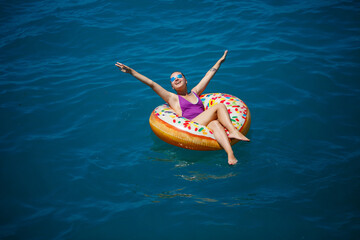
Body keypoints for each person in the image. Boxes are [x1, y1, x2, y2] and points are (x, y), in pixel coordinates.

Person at [115, 50, 249, 165]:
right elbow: (152, 84)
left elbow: (208, 75)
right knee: (219, 105)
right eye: (173, 79)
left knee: (215, 123)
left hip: (206, 123)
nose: (176, 79)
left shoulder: (196, 92)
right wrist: (132, 72)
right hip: (193, 124)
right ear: (172, 86)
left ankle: (230, 155)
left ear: (186, 80)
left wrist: (219, 62)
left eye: (179, 76)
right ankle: (233, 131)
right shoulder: (172, 98)